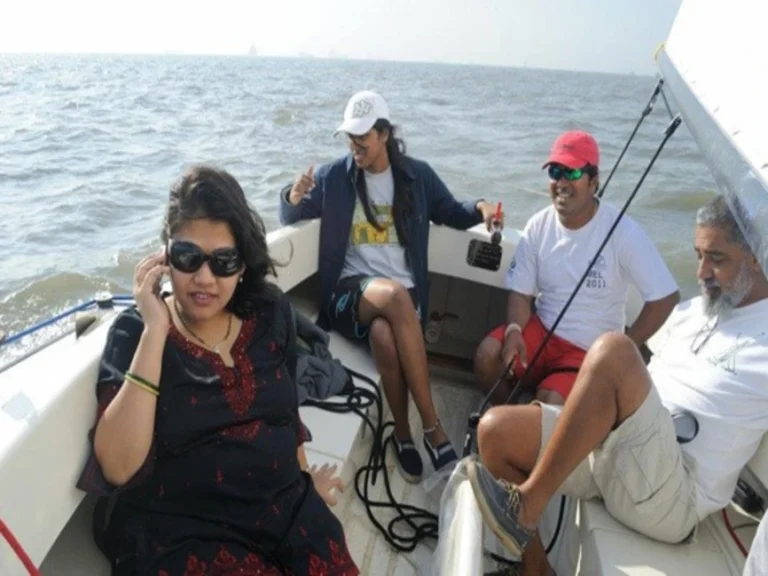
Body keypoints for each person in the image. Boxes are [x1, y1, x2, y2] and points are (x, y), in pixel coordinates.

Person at [77, 166, 359, 575]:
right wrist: (156, 330)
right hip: (186, 530)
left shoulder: (270, 312)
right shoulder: (136, 332)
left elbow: (285, 414)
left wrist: (303, 485)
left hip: (284, 508)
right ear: (165, 257)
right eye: (188, 257)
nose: (204, 278)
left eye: (223, 261)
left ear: (242, 263)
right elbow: (118, 467)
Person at [467, 195, 768, 576]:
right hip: (620, 453)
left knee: (613, 349)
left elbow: (621, 362)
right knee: (495, 431)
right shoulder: (695, 312)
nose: (701, 273)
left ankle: (526, 507)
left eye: (717, 259)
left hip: (673, 493)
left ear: (756, 257)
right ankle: (537, 569)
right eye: (698, 256)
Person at [278, 90, 502, 484]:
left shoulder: (417, 176)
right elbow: (292, 215)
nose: (355, 145)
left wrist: (482, 206)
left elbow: (451, 211)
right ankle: (433, 428)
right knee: (394, 296)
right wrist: (291, 195)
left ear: (383, 134)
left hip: (399, 303)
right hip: (349, 294)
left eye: (362, 136)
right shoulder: (334, 177)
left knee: (384, 334)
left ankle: (402, 433)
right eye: (350, 137)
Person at [474, 130, 679, 406]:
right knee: (487, 356)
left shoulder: (625, 233)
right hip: (541, 332)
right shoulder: (538, 225)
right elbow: (521, 294)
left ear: (593, 182)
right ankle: (510, 413)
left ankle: (530, 417)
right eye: (555, 171)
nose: (561, 182)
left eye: (571, 173)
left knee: (549, 400)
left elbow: (666, 296)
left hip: (587, 350)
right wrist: (514, 331)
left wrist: (622, 349)